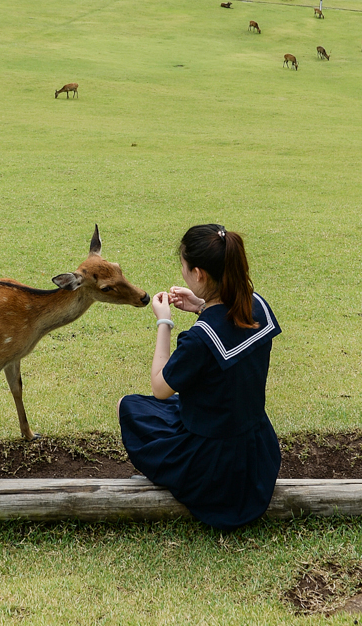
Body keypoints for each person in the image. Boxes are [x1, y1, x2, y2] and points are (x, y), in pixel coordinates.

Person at [118, 224, 281, 531]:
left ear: (199, 274)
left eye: (183, 267)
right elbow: (227, 329)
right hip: (258, 454)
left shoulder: (200, 340)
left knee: (128, 407)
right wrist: (201, 306)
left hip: (213, 466)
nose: (182, 273)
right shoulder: (256, 304)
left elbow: (160, 388)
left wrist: (164, 322)